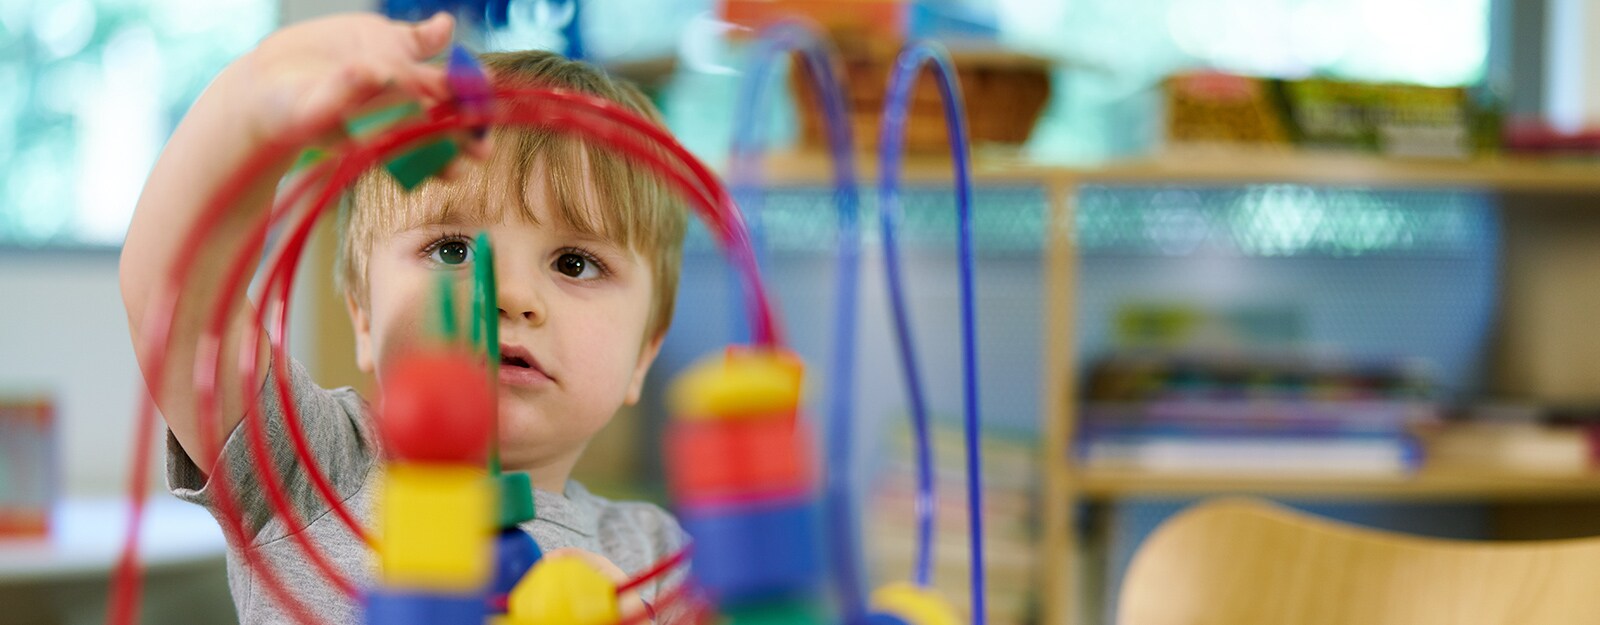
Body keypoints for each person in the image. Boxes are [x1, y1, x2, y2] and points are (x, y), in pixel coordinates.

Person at [119, 11, 688, 623]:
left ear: (644, 356)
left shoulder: (657, 555)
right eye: (451, 250)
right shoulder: (314, 468)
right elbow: (176, 294)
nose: (512, 295)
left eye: (576, 263)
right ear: (363, 318)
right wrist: (253, 103)